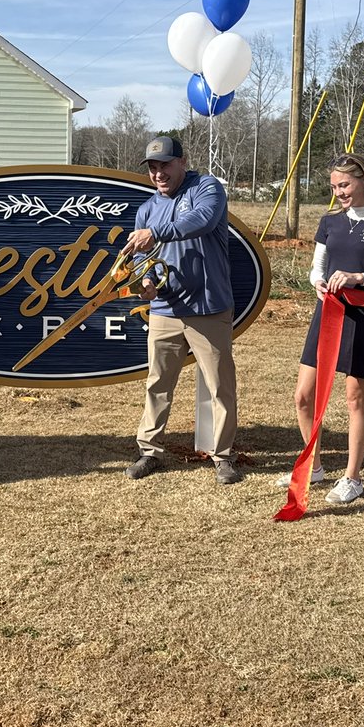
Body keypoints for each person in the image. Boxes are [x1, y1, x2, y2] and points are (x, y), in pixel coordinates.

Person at [283, 152, 364, 505]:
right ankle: (314, 466)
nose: (339, 192)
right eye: (334, 187)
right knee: (303, 396)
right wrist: (317, 281)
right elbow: (317, 267)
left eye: (344, 185)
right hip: (327, 315)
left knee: (355, 399)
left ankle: (353, 477)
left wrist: (360, 278)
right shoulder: (330, 221)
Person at [120, 135, 241, 485]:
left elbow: (202, 220)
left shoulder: (206, 188)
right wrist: (146, 281)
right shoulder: (147, 209)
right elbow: (143, 260)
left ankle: (223, 456)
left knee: (220, 386)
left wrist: (156, 233)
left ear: (182, 162)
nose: (159, 173)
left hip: (209, 308)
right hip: (165, 309)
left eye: (165, 165)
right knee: (157, 383)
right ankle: (150, 451)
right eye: (152, 167)